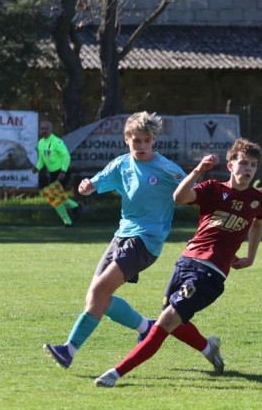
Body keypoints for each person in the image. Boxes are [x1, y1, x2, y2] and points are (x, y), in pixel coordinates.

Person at [94, 138, 262, 388]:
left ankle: (115, 374)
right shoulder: (212, 188)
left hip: (210, 274)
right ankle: (209, 348)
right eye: (243, 163)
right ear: (231, 166)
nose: (248, 168)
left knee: (166, 322)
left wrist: (251, 256)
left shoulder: (259, 199)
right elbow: (179, 196)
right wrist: (198, 171)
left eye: (252, 164)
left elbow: (258, 223)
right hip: (186, 262)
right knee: (172, 320)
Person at [44, 111, 190, 368]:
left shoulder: (167, 169)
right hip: (121, 236)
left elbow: (194, 191)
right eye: (137, 140)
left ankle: (68, 350)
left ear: (154, 141)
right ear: (126, 139)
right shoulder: (121, 164)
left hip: (145, 241)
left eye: (147, 140)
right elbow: (94, 184)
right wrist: (86, 187)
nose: (142, 145)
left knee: (99, 292)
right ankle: (146, 328)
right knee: (96, 298)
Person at [33, 120, 79, 227]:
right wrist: (37, 168)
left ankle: (70, 218)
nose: (44, 131)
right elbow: (41, 160)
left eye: (46, 129)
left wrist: (63, 171)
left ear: (51, 130)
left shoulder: (56, 141)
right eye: (42, 129)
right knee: (53, 198)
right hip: (53, 174)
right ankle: (74, 209)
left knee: (53, 196)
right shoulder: (40, 143)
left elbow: (66, 156)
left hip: (62, 172)